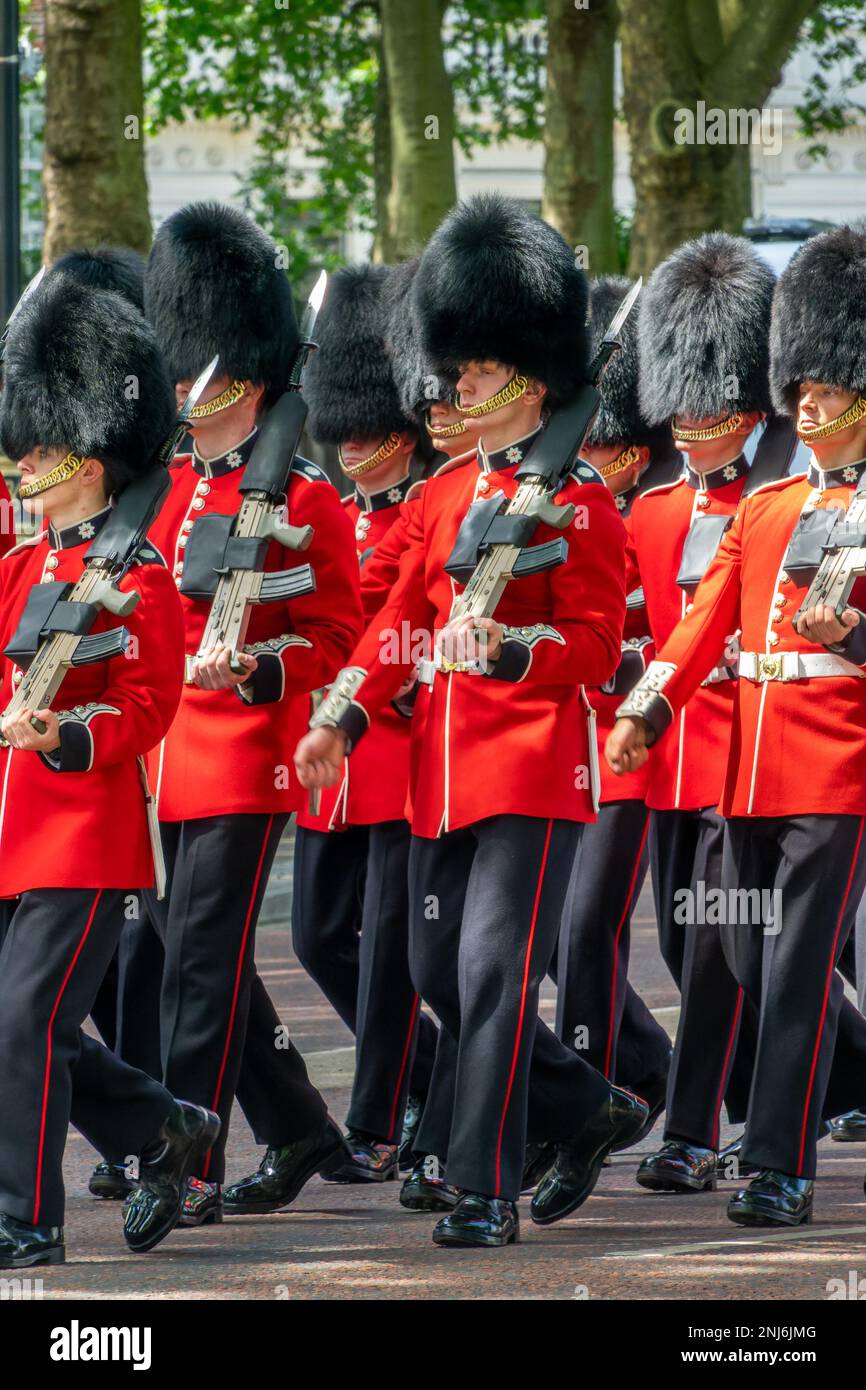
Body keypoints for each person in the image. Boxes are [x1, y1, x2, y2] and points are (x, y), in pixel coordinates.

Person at [294, 193, 647, 1248]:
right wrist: (342, 717)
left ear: (525, 379)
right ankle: (585, 1106)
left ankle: (482, 1187)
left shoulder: (579, 503)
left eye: (474, 371)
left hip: (533, 771)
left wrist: (501, 648)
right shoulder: (446, 497)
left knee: (490, 973)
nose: (453, 387)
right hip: (438, 775)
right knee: (436, 974)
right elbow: (392, 620)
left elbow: (591, 651)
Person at [608, 221, 866, 1226]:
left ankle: (777, 1165)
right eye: (797, 390)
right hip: (746, 770)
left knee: (794, 973)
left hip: (835, 771)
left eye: (823, 390)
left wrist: (849, 637)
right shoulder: (765, 508)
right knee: (737, 959)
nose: (804, 405)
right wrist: (644, 705)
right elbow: (698, 623)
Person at [127, 201, 363, 1227]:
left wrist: (261, 668)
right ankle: (300, 1124)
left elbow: (337, 637)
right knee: (189, 949)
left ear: (250, 381)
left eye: (202, 372)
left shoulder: (306, 502)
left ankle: (184, 1163)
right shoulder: (159, 488)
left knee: (195, 959)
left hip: (246, 755)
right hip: (161, 755)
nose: (185, 389)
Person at [0, 273, 219, 1268]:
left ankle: (26, 1218)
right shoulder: (15, 572)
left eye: (40, 450)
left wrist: (65, 731)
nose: (24, 462)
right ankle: (163, 1127)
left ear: (86, 460)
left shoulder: (137, 576)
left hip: (85, 833)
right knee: (29, 1025)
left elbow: (147, 707)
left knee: (21, 1023)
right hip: (11, 836)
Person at [230, 261, 439, 1194]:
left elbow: (402, 622)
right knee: (318, 937)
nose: (355, 448)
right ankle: (442, 1077)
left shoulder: (426, 513)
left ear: (402, 433)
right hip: (332, 763)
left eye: (373, 432)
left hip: (394, 750)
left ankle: (377, 1121)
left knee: (395, 950)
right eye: (343, 431)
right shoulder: (333, 514)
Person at [615, 234, 774, 1194]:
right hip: (669, 755)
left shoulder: (774, 495)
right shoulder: (653, 509)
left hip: (750, 750)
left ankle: (690, 1130)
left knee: (723, 945)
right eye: (679, 402)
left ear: (746, 407)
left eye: (707, 405)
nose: (687, 420)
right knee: (685, 941)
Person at [553, 275, 674, 1145]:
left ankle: (585, 1096)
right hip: (571, 741)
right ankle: (643, 1074)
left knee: (591, 925)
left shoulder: (659, 512)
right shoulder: (574, 502)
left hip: (637, 746)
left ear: (629, 450)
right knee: (564, 935)